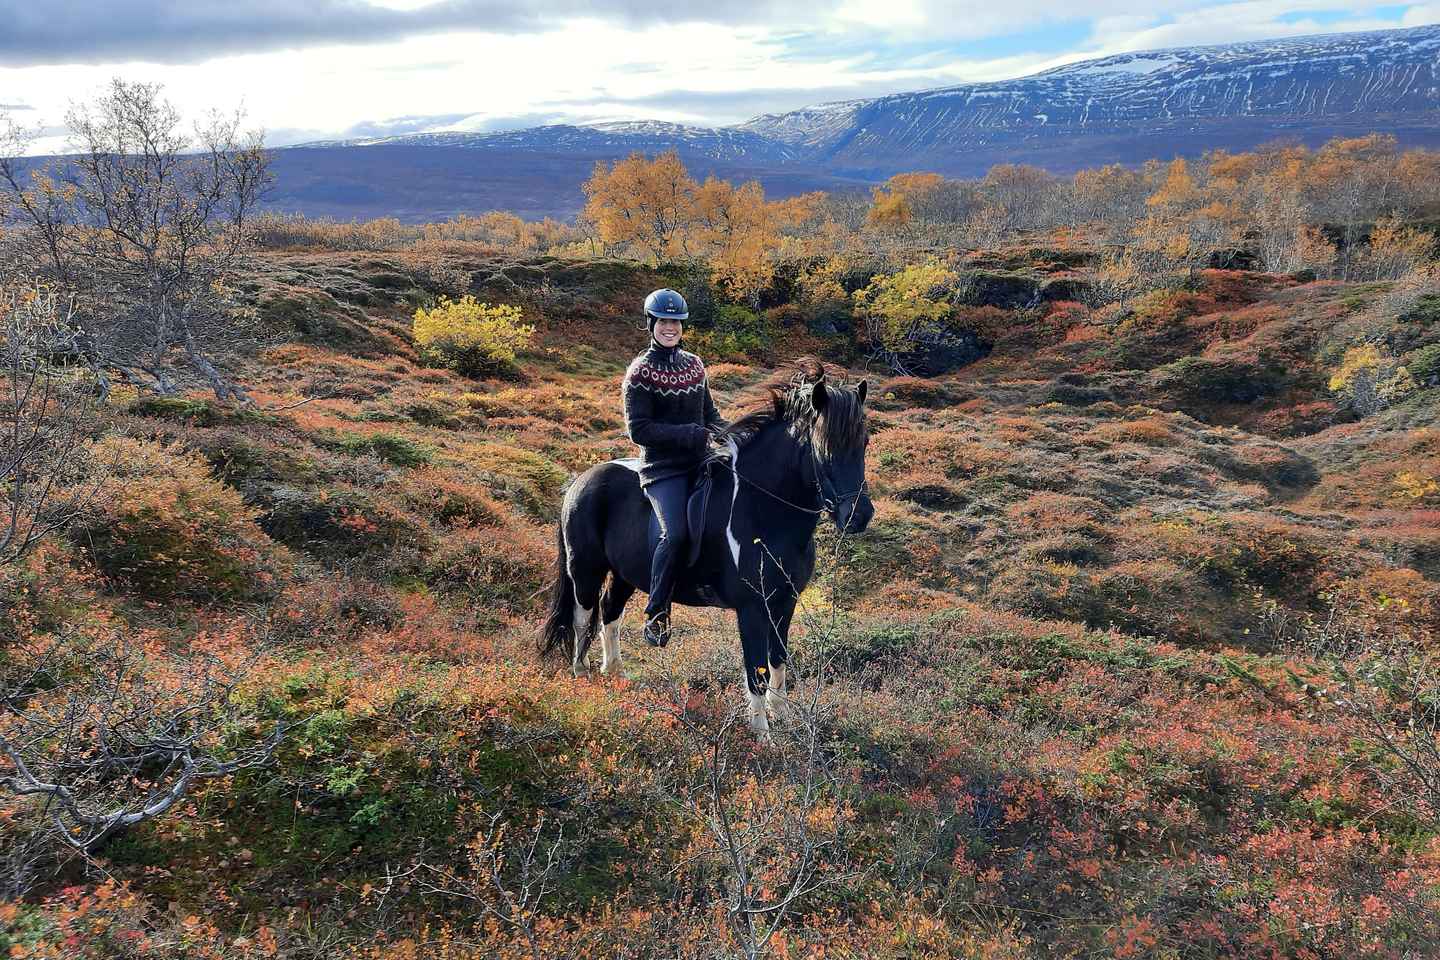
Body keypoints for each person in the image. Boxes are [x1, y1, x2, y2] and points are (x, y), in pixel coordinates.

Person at [622, 288, 728, 647]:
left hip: (701, 462)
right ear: (651, 324)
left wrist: (730, 435)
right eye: (664, 321)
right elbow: (638, 430)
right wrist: (691, 435)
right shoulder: (639, 372)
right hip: (663, 470)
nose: (670, 328)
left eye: (676, 322)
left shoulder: (695, 364)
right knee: (676, 535)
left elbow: (710, 415)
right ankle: (656, 612)